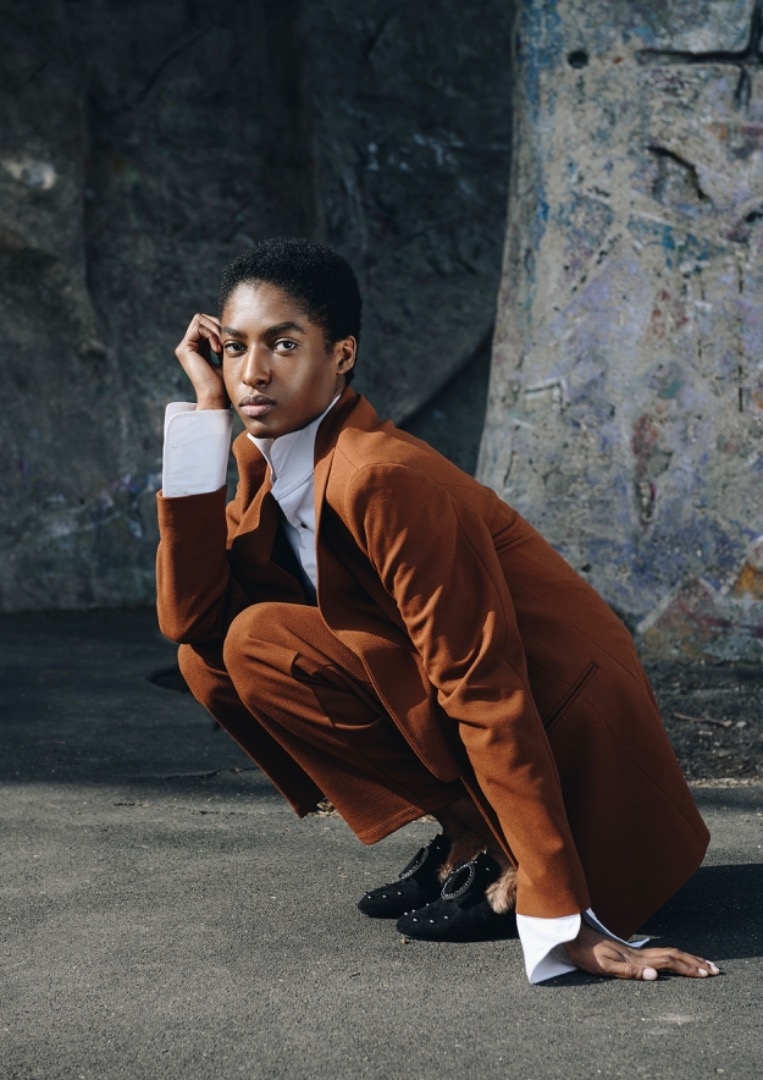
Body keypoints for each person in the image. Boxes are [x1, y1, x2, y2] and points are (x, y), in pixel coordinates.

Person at [156, 237, 719, 984]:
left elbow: (484, 683)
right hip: (496, 722)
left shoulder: (380, 475)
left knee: (260, 638)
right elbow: (190, 620)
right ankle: (469, 837)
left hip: (578, 756)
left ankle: (516, 863)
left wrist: (564, 916)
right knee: (215, 656)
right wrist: (205, 415)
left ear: (342, 354)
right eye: (234, 348)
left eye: (283, 345)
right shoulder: (271, 460)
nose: (251, 372)